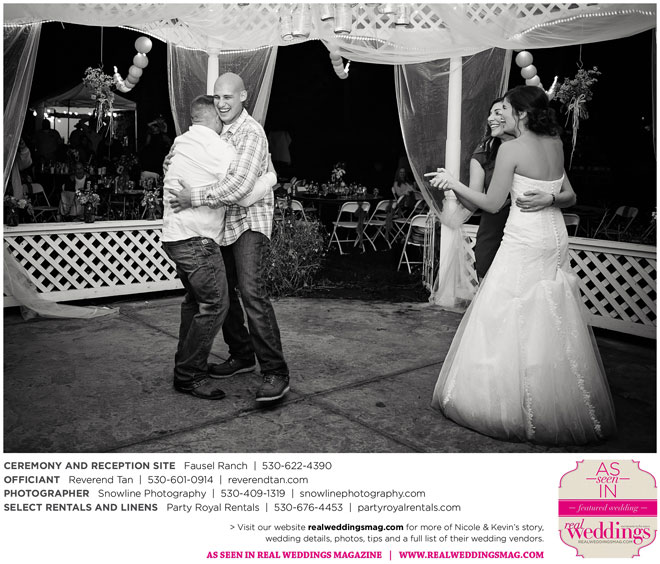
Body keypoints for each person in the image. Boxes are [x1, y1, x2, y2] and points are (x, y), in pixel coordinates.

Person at [426, 85, 616, 445]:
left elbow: (493, 203)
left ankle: (509, 402)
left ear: (522, 114)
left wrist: (453, 183)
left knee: (506, 310)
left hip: (525, 238)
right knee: (548, 311)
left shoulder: (511, 149)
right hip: (553, 237)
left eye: (507, 109)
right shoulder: (556, 143)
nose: (503, 114)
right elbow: (570, 196)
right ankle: (552, 395)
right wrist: (550, 198)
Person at [169, 72, 291, 402]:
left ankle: (276, 372)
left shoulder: (250, 133)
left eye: (228, 97)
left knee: (252, 292)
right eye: (218, 97)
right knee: (222, 294)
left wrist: (194, 196)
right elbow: (195, 162)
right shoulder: (217, 132)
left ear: (243, 97)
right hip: (223, 225)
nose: (222, 103)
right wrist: (174, 160)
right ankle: (241, 355)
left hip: (249, 222)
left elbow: (239, 188)